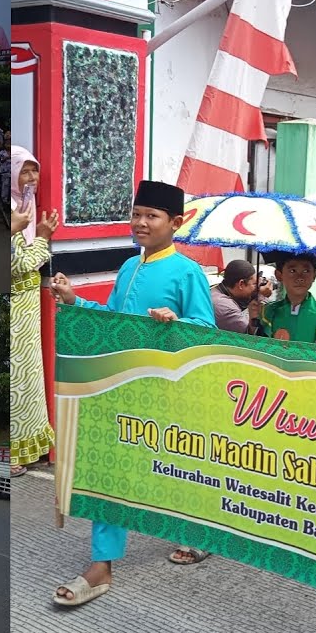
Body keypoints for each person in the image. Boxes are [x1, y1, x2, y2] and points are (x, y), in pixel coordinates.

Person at [48, 179, 218, 604]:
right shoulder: (127, 267)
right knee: (111, 470)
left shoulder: (188, 272)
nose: (141, 223)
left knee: (174, 465)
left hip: (165, 391)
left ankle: (195, 532)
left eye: (151, 216)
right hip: (119, 386)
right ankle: (101, 565)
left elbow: (208, 330)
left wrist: (175, 322)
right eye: (136, 214)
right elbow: (111, 320)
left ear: (175, 223)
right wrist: (74, 301)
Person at [10, 147, 60, 472]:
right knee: (17, 380)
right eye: (23, 171)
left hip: (28, 307)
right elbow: (21, 262)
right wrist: (41, 237)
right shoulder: (13, 209)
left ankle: (28, 450)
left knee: (29, 378)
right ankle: (14, 454)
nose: (30, 178)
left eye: (33, 171)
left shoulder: (27, 207)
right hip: (16, 308)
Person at [258, 251, 316, 346]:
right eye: (292, 271)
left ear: (314, 275)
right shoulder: (267, 313)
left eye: (306, 271)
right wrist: (252, 323)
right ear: (279, 275)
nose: (300, 278)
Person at [210, 259, 264, 334]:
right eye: (254, 284)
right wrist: (261, 296)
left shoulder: (215, 291)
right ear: (241, 284)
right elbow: (250, 335)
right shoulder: (225, 307)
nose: (256, 288)